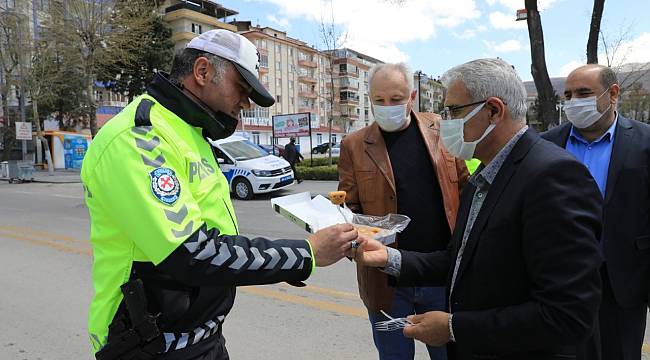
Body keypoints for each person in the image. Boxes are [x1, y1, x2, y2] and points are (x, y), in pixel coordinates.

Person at [81, 29, 361, 360]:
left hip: (201, 336)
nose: (245, 103)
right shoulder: (141, 138)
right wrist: (305, 254)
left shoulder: (189, 133)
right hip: (149, 345)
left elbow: (218, 236)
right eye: (241, 89)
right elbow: (193, 253)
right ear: (202, 72)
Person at [355, 58, 603, 360]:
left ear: (494, 111)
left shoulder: (553, 176)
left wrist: (453, 328)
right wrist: (390, 258)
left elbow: (567, 315)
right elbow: (459, 259)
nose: (446, 121)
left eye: (455, 111)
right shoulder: (483, 176)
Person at [338, 62, 469, 360]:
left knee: (450, 355)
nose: (387, 107)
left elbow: (467, 189)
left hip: (441, 276)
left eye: (396, 99)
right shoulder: (354, 145)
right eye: (379, 100)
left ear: (411, 96)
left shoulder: (442, 130)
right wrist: (353, 237)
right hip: (386, 285)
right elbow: (348, 208)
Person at [543, 64, 650, 360]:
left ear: (612, 93)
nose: (573, 101)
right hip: (560, 281)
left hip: (622, 281)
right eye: (568, 95)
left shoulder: (644, 142)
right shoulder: (548, 144)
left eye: (584, 93)